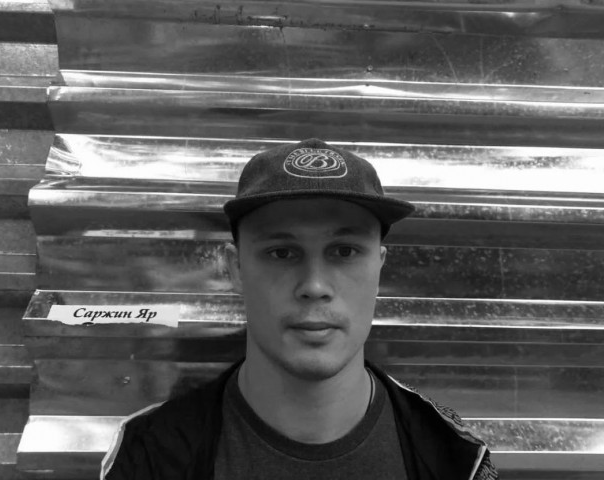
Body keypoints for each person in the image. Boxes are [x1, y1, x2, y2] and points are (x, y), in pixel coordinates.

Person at [101, 138, 498, 480]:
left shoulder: (454, 455)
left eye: (345, 251)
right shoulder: (149, 454)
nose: (314, 286)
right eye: (282, 252)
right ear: (236, 269)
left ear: (379, 265)